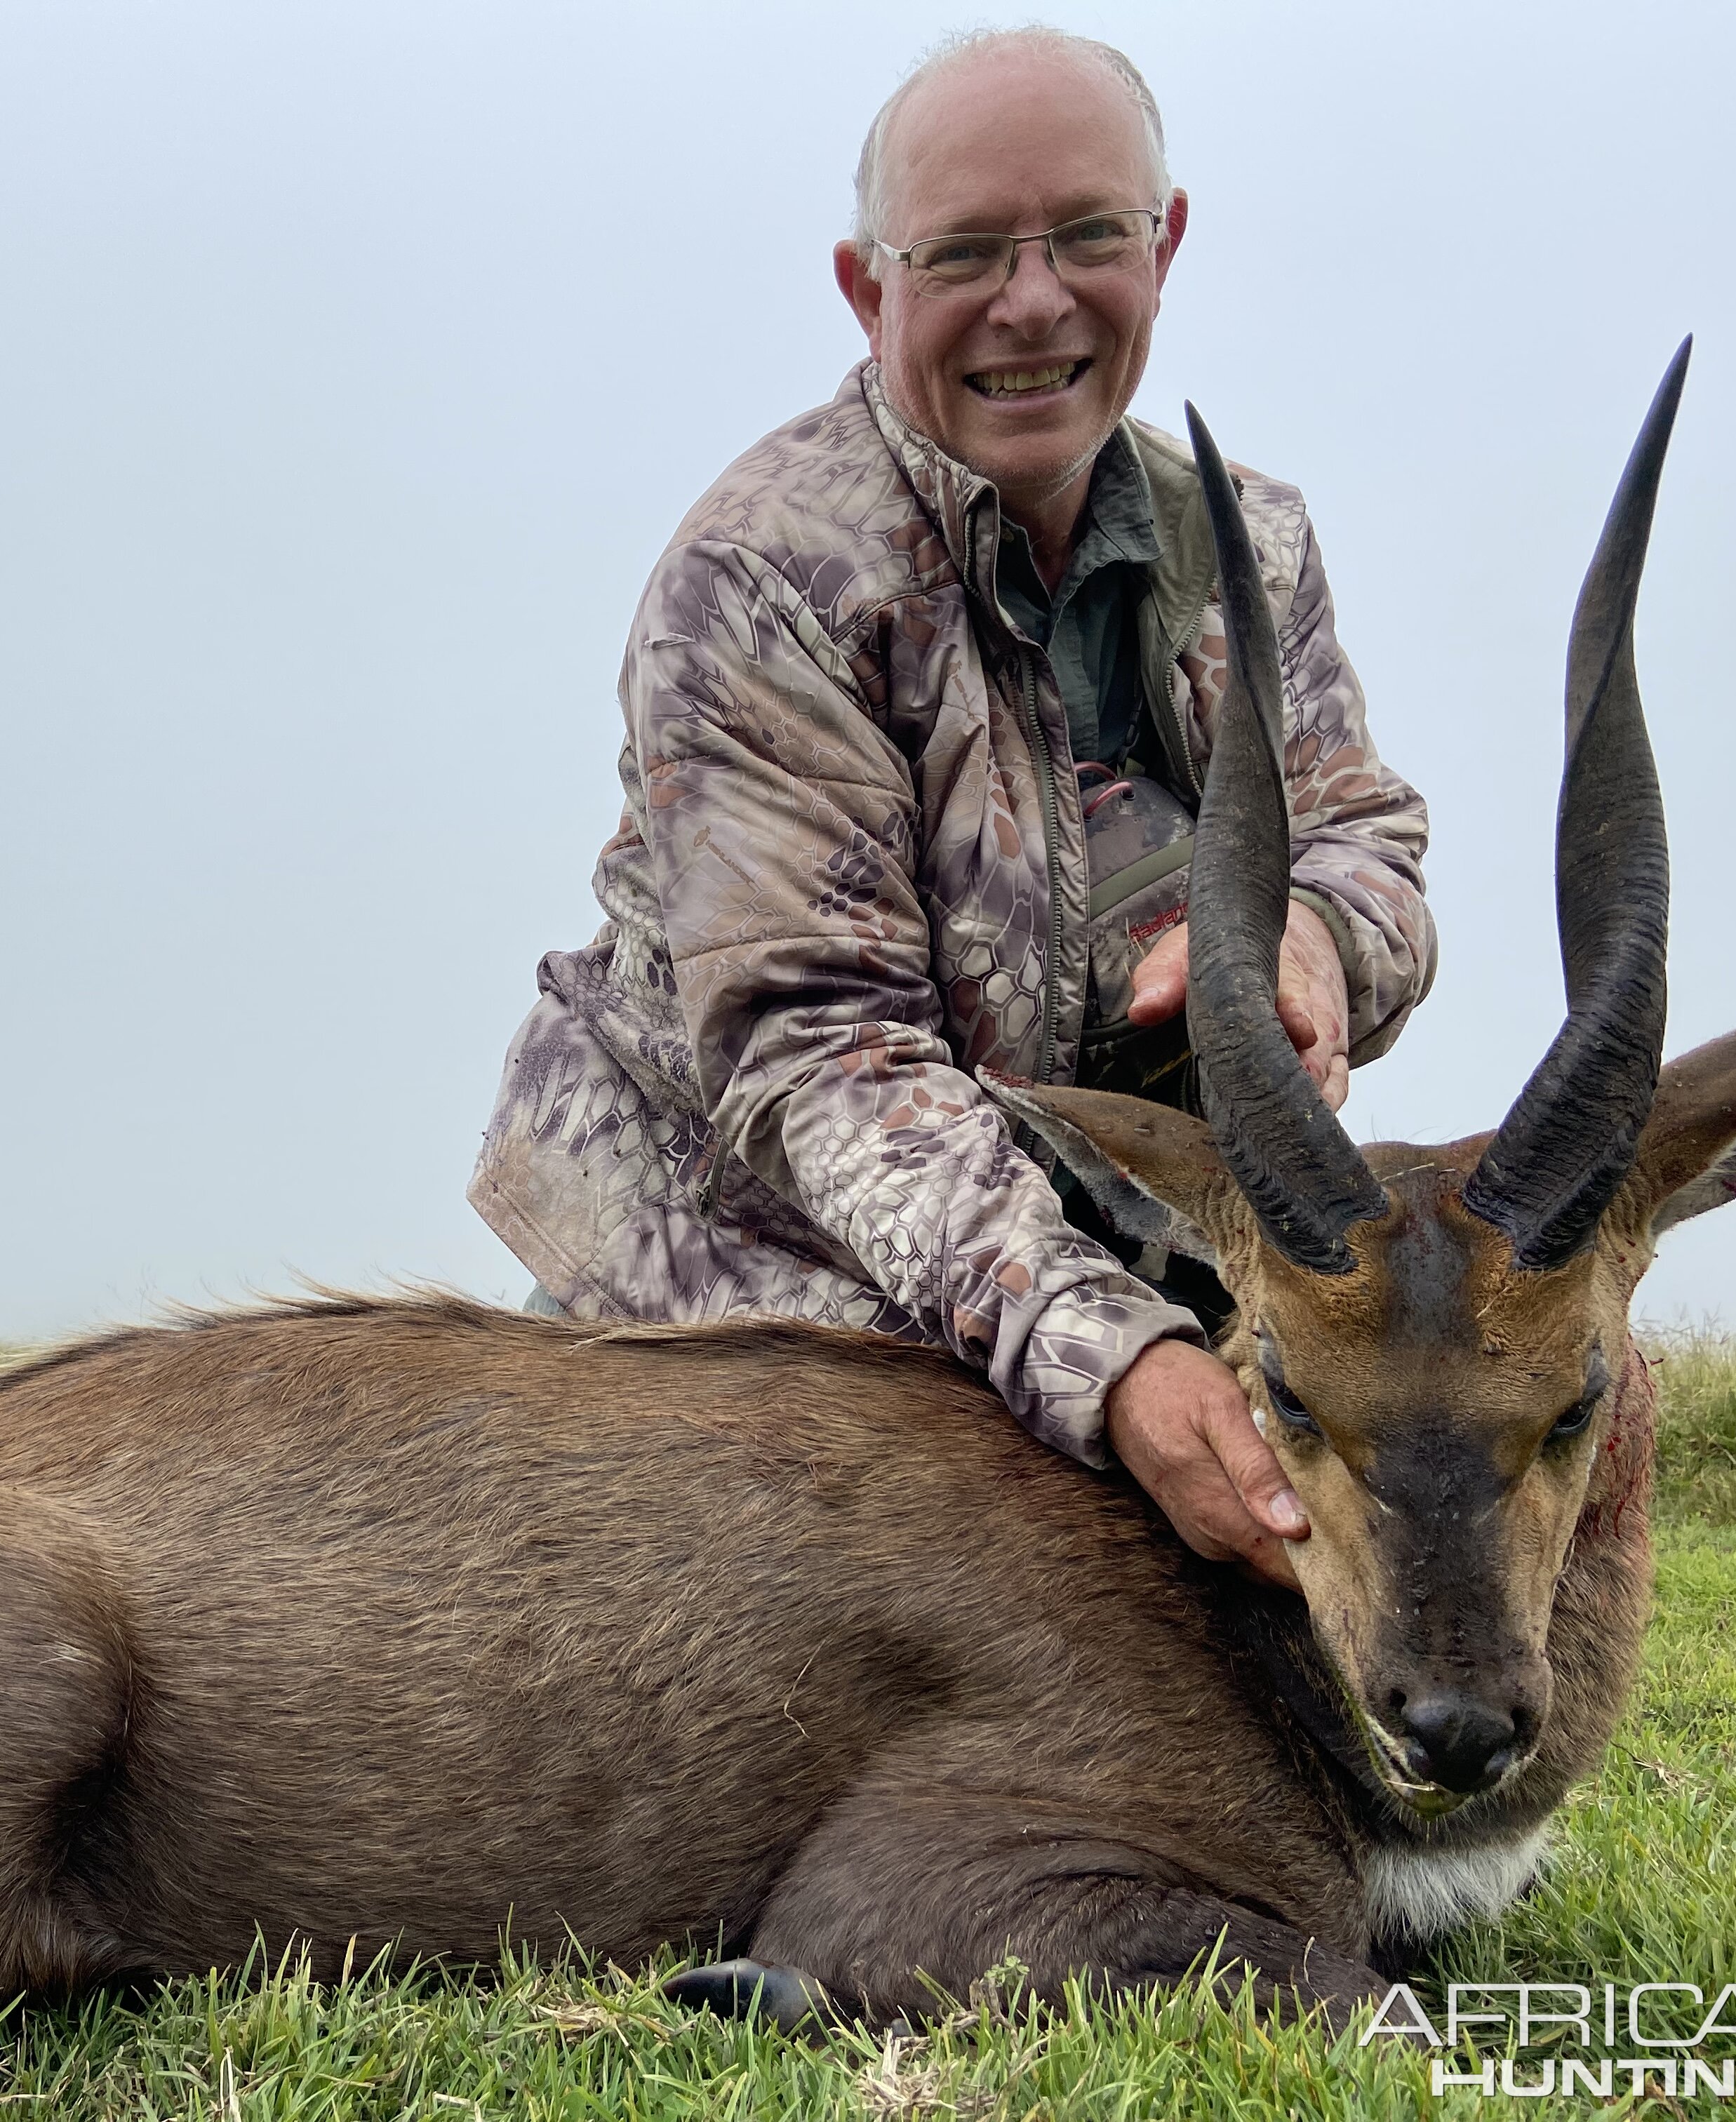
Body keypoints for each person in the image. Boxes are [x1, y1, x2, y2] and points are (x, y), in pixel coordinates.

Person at [469, 27, 1435, 1587]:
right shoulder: (764, 583)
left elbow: (1362, 831)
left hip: (1089, 1276)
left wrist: (1323, 939)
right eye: (969, 253)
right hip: (740, 1300)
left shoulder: (1249, 545)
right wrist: (1109, 1362)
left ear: (1166, 243)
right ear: (870, 289)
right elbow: (816, 1053)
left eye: (1090, 237)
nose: (1035, 301)